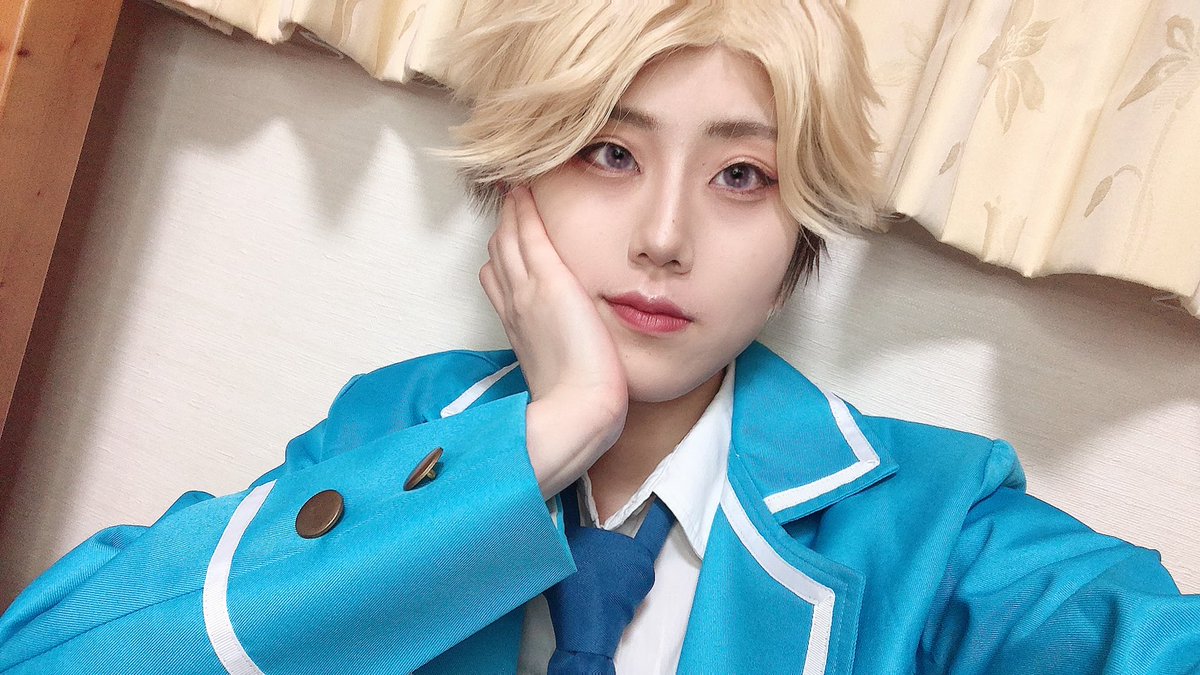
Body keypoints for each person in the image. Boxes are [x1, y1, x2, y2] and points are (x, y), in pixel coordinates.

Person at [2, 1, 1198, 673]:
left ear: (801, 234)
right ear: (518, 176)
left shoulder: (936, 524)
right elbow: (52, 653)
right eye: (609, 153)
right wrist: (539, 445)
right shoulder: (393, 432)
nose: (665, 237)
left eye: (742, 176)